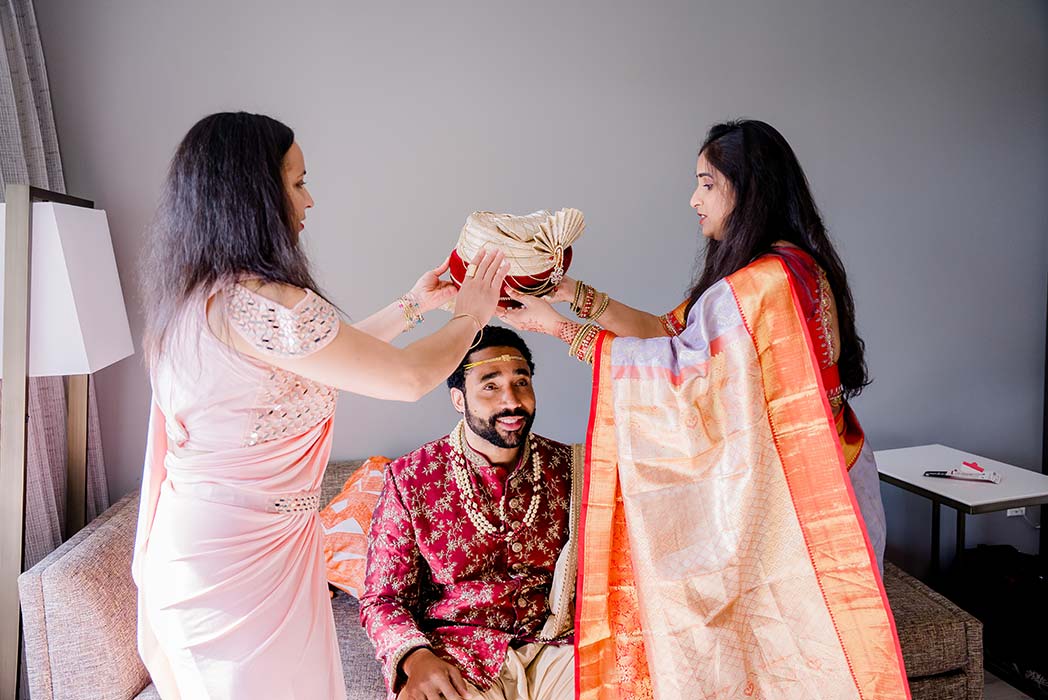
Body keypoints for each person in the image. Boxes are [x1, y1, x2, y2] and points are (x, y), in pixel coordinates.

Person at [501, 120, 909, 699]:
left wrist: (561, 331)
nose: (694, 200)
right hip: (831, 479)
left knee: (783, 661)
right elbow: (673, 336)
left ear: (748, 188)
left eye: (706, 184)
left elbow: (684, 379)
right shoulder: (792, 269)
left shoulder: (761, 285)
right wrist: (573, 295)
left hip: (788, 505)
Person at [133, 111, 508, 700]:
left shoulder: (194, 302)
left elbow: (317, 363)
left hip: (215, 551)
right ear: (256, 193)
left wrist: (414, 305)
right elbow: (409, 378)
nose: (309, 199)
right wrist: (472, 316)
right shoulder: (263, 304)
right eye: (299, 181)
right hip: (236, 569)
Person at [360, 326, 579, 700]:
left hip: (558, 647)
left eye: (521, 382)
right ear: (459, 399)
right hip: (458, 657)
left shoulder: (573, 468)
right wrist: (415, 657)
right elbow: (383, 598)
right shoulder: (412, 478)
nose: (512, 401)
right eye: (490, 386)